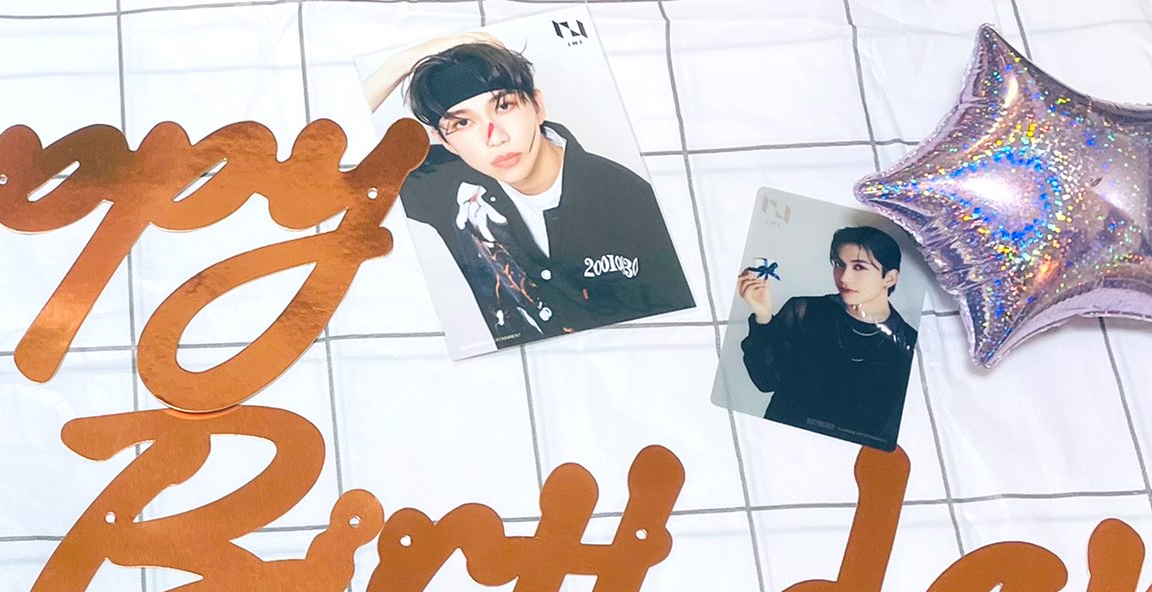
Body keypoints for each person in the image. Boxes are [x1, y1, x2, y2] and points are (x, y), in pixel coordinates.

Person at [364, 34, 693, 348]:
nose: (495, 137)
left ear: (537, 106)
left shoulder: (633, 201)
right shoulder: (448, 183)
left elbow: (679, 326)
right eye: (463, 123)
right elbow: (335, 150)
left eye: (504, 106)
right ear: (444, 141)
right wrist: (401, 63)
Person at [736, 225, 918, 449]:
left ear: (889, 278)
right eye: (839, 264)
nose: (844, 277)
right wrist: (763, 316)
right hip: (780, 443)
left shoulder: (908, 344)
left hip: (845, 457)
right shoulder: (804, 311)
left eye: (859, 267)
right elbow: (765, 381)